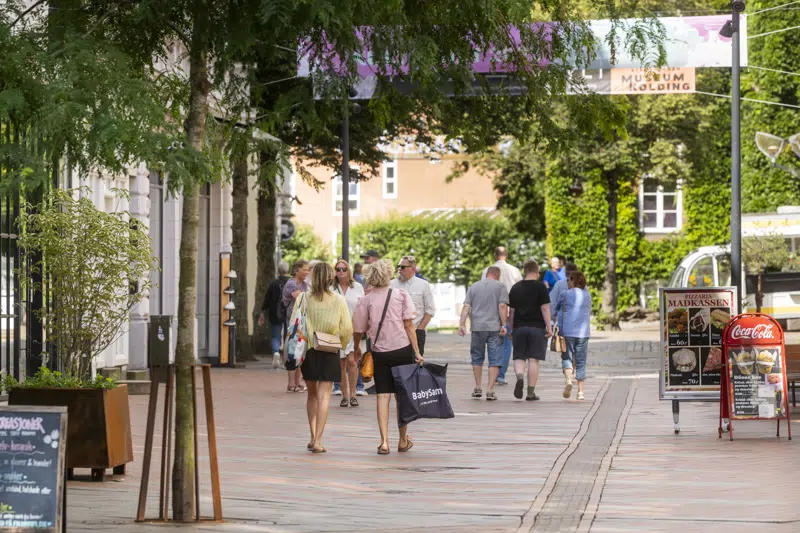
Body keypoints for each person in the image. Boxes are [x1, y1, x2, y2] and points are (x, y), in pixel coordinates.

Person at [353, 259, 423, 455]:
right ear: (389, 274)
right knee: (401, 396)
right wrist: (417, 351)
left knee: (382, 395)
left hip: (379, 351)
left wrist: (357, 348)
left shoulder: (366, 300)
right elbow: (409, 325)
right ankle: (402, 440)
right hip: (402, 349)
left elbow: (358, 328)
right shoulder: (400, 294)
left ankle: (384, 442)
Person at [293, 262, 353, 453]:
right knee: (324, 396)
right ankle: (318, 439)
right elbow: (347, 329)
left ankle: (312, 436)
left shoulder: (303, 298)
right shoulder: (338, 300)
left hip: (308, 350)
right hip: (330, 349)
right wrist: (340, 344)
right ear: (330, 278)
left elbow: (294, 323)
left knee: (311, 394)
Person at [458, 266, 509, 401]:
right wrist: (504, 324)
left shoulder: (473, 287)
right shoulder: (501, 287)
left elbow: (466, 307)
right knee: (495, 359)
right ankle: (490, 390)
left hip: (477, 327)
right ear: (497, 275)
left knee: (477, 357)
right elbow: (502, 306)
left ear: (487, 274)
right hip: (494, 328)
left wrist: (462, 324)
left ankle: (478, 387)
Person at [508, 260, 552, 401]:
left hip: (519, 328)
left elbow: (512, 312)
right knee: (534, 360)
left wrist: (511, 328)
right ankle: (530, 392)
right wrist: (549, 327)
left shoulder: (515, 288)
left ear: (525, 271)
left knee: (519, 357)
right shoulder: (541, 287)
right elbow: (545, 308)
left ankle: (519, 377)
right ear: (537, 271)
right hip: (537, 328)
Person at [481, 246, 522, 386]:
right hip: (510, 311)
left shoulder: (486, 270)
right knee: (506, 344)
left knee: (493, 343)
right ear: (507, 255)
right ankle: (500, 375)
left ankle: (493, 371)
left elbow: (483, 291)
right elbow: (519, 290)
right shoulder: (514, 270)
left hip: (491, 312)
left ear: (495, 255)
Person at [331, 259, 367, 404]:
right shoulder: (331, 288)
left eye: (343, 269)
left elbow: (363, 307)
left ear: (349, 271)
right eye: (338, 269)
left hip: (354, 329)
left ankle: (353, 395)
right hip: (336, 331)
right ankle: (344, 396)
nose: (340, 272)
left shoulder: (357, 287)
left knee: (352, 361)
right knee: (341, 363)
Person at [555, 271, 592, 400]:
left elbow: (557, 309)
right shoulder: (587, 295)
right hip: (583, 333)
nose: (567, 283)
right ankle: (581, 392)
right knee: (581, 361)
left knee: (567, 357)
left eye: (568, 281)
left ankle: (569, 380)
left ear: (572, 281)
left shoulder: (564, 294)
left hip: (567, 331)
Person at [391, 255, 435, 356]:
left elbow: (430, 309)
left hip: (416, 331)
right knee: (397, 367)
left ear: (413, 268)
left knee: (415, 365)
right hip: (395, 334)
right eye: (398, 266)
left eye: (402, 267)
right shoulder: (391, 285)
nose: (399, 269)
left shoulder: (423, 285)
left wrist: (420, 328)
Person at [282, 259, 310, 392]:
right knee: (292, 350)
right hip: (293, 323)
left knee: (300, 350)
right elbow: (302, 298)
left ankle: (298, 382)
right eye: (305, 269)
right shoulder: (291, 284)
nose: (307, 272)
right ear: (297, 270)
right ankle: (291, 383)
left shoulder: (304, 284)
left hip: (302, 322)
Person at [549, 261, 579, 382]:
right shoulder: (582, 286)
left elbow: (552, 303)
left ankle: (568, 375)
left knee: (566, 350)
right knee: (576, 349)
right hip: (578, 323)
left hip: (563, 322)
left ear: (565, 273)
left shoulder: (559, 284)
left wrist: (550, 319)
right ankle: (574, 371)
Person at [259, 261, 290, 368]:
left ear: (278, 271)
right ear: (287, 270)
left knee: (276, 336)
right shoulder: (291, 283)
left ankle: (276, 353)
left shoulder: (273, 284)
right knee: (288, 336)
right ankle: (287, 358)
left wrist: (262, 312)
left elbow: (267, 299)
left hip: (274, 313)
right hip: (288, 313)